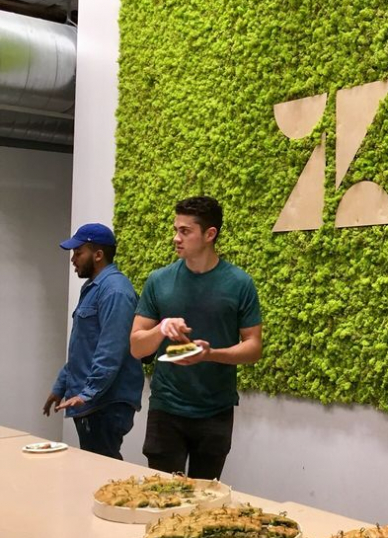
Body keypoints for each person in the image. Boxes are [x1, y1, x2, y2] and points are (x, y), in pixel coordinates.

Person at [130, 196, 262, 480]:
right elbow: (136, 347)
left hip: (216, 410)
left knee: (205, 501)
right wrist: (161, 327)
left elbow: (253, 348)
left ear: (210, 234)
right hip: (166, 408)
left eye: (185, 231)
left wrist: (210, 354)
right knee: (163, 499)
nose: (176, 238)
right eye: (176, 229)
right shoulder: (158, 281)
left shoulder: (240, 284)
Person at [44, 223, 144, 459]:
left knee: (103, 470)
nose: (73, 259)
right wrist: (61, 386)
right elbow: (83, 348)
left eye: (79, 253)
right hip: (93, 401)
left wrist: (87, 393)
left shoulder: (115, 291)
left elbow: (111, 349)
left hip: (105, 403)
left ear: (98, 255)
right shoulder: (94, 288)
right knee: (96, 468)